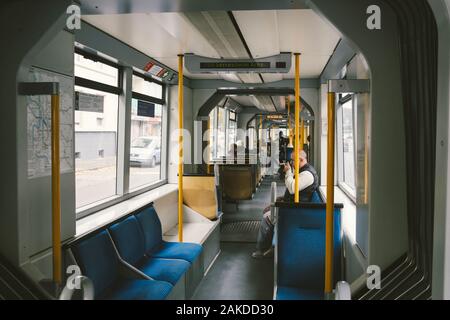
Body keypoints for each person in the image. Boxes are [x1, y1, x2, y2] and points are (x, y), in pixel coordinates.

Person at [252, 150, 319, 258]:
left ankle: (261, 249)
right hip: (293, 206)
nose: (291, 163)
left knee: (266, 218)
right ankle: (271, 247)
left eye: (293, 160)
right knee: (268, 211)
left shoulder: (307, 174)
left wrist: (288, 172)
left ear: (301, 160)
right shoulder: (302, 171)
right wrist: (282, 199)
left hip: (297, 210)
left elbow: (292, 188)